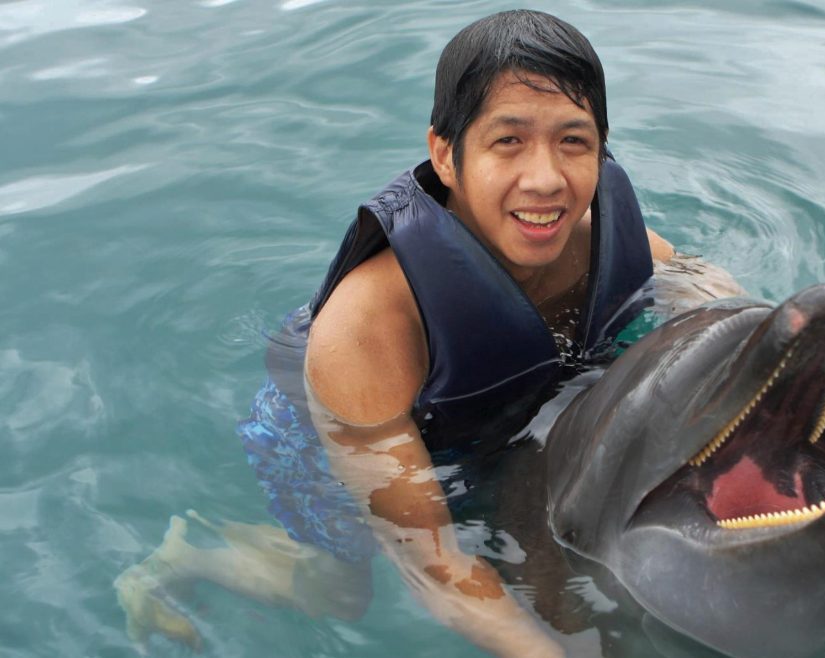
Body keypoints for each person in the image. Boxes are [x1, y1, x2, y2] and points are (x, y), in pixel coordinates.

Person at [116, 10, 681, 657]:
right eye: (508, 142)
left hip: (484, 407)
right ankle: (193, 554)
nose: (546, 179)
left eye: (573, 142)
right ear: (445, 152)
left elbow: (709, 292)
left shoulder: (607, 240)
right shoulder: (366, 328)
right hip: (334, 421)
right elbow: (434, 569)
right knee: (342, 597)